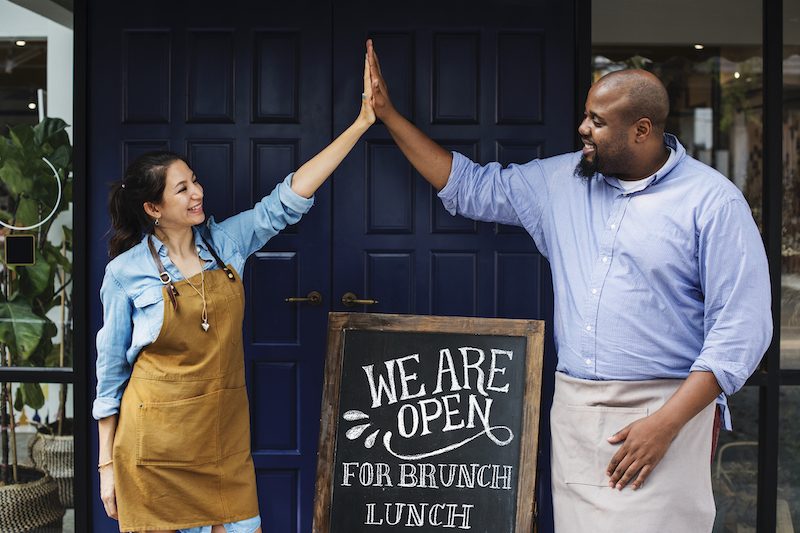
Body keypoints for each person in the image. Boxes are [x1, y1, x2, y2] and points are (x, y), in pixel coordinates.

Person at [365, 39, 771, 532]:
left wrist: (666, 424)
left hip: (667, 412)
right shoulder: (560, 182)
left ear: (642, 130)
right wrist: (387, 115)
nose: (583, 127)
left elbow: (741, 331)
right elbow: (469, 187)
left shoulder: (713, 203)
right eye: (586, 114)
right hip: (576, 411)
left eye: (598, 121)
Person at [93, 58, 375, 533]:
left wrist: (362, 124)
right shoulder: (124, 274)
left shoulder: (225, 245)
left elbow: (286, 201)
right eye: (181, 189)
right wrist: (106, 469)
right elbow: (110, 378)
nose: (197, 193)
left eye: (195, 181)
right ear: (153, 208)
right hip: (153, 454)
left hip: (222, 443)